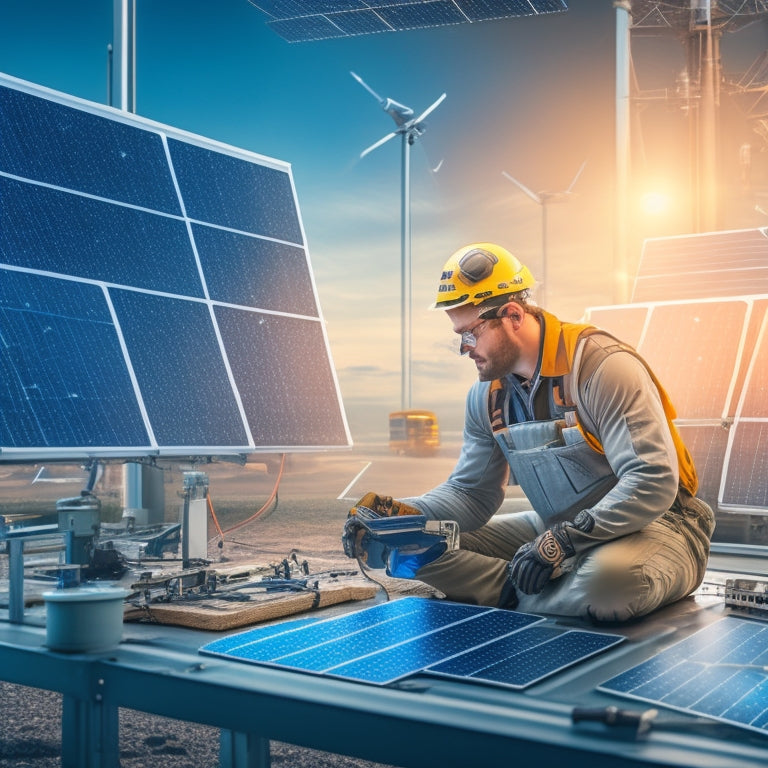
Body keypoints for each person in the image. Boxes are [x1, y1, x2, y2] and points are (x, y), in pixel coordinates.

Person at [343, 242, 715, 623]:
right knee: (409, 546)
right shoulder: (486, 396)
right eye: (459, 337)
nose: (464, 349)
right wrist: (396, 516)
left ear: (513, 315)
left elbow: (651, 480)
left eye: (471, 333)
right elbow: (471, 494)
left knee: (612, 587)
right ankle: (522, 587)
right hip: (554, 531)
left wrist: (564, 541)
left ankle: (512, 589)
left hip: (659, 525)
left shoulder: (602, 368)